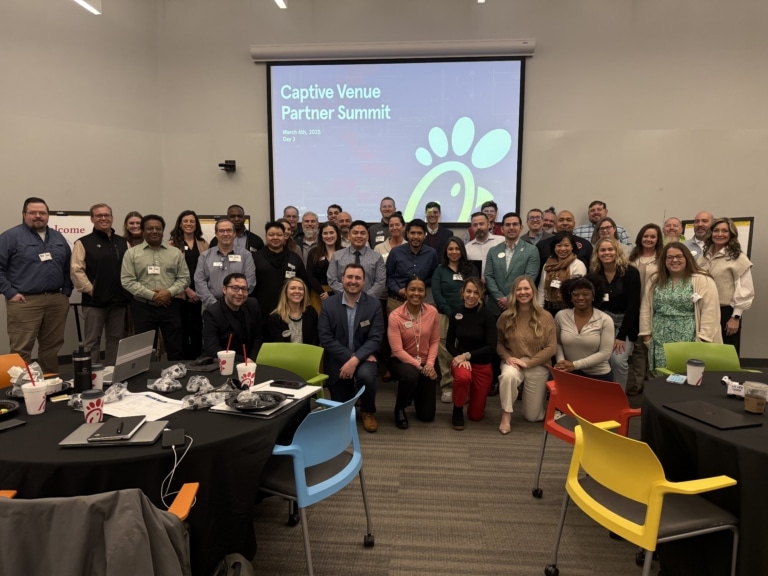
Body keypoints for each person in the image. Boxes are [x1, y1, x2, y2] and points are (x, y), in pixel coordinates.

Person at [0, 197, 73, 373]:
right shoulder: (10, 237)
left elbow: (67, 266)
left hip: (56, 300)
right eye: (33, 212)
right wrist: (10, 292)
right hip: (25, 302)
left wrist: (66, 291)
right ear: (24, 214)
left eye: (42, 213)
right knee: (21, 348)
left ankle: (50, 382)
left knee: (51, 347)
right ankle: (20, 386)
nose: (38, 216)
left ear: (48, 215)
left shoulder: (58, 237)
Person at [318, 263, 385, 433]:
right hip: (338, 359)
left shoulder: (374, 305)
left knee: (366, 375)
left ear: (364, 281)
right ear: (342, 279)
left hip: (364, 358)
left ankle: (368, 411)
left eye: (357, 278)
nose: (353, 281)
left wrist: (355, 360)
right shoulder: (328, 305)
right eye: (349, 277)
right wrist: (351, 358)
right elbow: (325, 338)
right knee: (342, 412)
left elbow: (375, 338)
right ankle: (355, 394)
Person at [639, 242, 721, 372]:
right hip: (660, 339)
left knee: (688, 376)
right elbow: (646, 308)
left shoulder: (703, 280)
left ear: (687, 258)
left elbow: (710, 312)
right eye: (670, 257)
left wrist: (703, 339)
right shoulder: (655, 279)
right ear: (664, 260)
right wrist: (646, 335)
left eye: (679, 256)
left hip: (690, 340)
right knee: (662, 377)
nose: (674, 260)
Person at [120, 214, 190, 360]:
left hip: (171, 306)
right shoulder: (132, 253)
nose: (154, 231)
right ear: (143, 231)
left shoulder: (175, 253)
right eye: (150, 228)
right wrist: (153, 295)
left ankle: (175, 373)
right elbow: (127, 281)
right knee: (144, 350)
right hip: (143, 307)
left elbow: (184, 279)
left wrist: (168, 293)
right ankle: (146, 374)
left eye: (158, 228)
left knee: (176, 348)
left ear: (163, 231)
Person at [70, 203, 131, 365]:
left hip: (119, 301)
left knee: (115, 339)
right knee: (92, 341)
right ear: (92, 219)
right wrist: (92, 290)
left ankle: (113, 373)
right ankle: (93, 376)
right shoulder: (83, 243)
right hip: (94, 302)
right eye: (99, 215)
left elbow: (130, 269)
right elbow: (76, 270)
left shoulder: (123, 242)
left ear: (112, 218)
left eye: (107, 215)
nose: (103, 218)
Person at [496, 276, 557, 431]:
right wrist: (507, 357)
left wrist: (529, 363)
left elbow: (551, 347)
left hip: (538, 364)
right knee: (508, 376)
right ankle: (506, 414)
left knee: (532, 417)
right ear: (514, 293)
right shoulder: (506, 316)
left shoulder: (546, 316)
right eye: (519, 289)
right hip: (514, 361)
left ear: (533, 291)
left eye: (526, 289)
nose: (523, 292)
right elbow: (498, 343)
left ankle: (535, 404)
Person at [388, 276, 440, 429]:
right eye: (412, 289)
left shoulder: (432, 312)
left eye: (420, 290)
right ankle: (400, 407)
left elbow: (435, 341)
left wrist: (430, 365)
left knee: (427, 416)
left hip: (425, 362)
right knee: (411, 375)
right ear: (405, 292)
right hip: (401, 361)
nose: (416, 293)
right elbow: (397, 350)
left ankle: (414, 392)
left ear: (425, 293)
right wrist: (421, 367)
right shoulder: (395, 316)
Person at [432, 237, 479, 403]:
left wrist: (465, 312)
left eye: (457, 248)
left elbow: (476, 290)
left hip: (469, 315)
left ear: (462, 251)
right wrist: (451, 313)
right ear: (446, 252)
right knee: (445, 351)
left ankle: (463, 385)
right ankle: (448, 386)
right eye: (450, 249)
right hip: (445, 316)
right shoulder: (440, 270)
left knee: (466, 349)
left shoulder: (471, 269)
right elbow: (437, 294)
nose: (454, 252)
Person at [590, 237, 641, 390]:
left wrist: (621, 336)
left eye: (610, 249)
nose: (607, 253)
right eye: (603, 250)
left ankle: (619, 396)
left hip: (626, 322)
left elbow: (633, 306)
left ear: (617, 251)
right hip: (603, 321)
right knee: (603, 359)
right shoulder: (594, 274)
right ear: (597, 253)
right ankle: (605, 395)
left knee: (618, 361)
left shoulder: (631, 272)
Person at [446, 277, 497, 430]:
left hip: (482, 365)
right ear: (463, 292)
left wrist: (467, 355)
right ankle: (457, 409)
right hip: (462, 363)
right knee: (463, 377)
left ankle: (469, 397)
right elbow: (449, 344)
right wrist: (460, 358)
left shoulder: (487, 315)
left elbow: (491, 347)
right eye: (468, 291)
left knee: (476, 416)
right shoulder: (456, 314)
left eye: (476, 292)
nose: (471, 295)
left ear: (481, 295)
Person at [698, 217, 754, 355]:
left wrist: (736, 317)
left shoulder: (738, 257)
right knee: (705, 353)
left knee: (726, 355)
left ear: (731, 234)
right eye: (716, 230)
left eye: (725, 231)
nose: (720, 234)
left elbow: (745, 289)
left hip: (726, 313)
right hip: (704, 311)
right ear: (711, 233)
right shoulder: (704, 256)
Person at [554, 275, 615, 381]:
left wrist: (574, 365)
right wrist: (561, 362)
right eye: (575, 294)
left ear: (593, 296)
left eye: (586, 294)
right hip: (569, 372)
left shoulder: (605, 320)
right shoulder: (561, 316)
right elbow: (557, 343)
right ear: (570, 297)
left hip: (598, 376)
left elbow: (605, 353)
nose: (581, 298)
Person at [626, 223, 663, 395]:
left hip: (655, 308)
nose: (649, 239)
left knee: (653, 346)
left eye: (653, 237)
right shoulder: (631, 257)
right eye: (646, 236)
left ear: (658, 239)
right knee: (639, 347)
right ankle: (638, 383)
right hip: (634, 306)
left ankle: (653, 383)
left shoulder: (662, 258)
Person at [168, 210, 209, 359]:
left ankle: (197, 359)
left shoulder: (204, 243)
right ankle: (183, 360)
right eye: (185, 221)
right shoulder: (172, 244)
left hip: (200, 293)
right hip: (180, 293)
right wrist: (187, 290)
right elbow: (170, 271)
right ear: (180, 224)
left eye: (192, 221)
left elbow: (208, 269)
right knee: (181, 327)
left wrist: (199, 291)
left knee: (197, 327)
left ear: (196, 224)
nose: (189, 224)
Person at [484, 212, 541, 317]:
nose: (511, 228)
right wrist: (500, 298)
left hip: (521, 306)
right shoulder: (493, 251)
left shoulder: (532, 250)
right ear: (502, 229)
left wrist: (510, 298)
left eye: (515, 224)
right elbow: (488, 276)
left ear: (521, 227)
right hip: (495, 307)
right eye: (507, 225)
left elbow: (530, 277)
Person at [252, 221, 308, 324]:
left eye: (279, 235)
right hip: (262, 310)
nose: (275, 238)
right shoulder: (255, 258)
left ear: (284, 236)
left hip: (289, 311)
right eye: (271, 235)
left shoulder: (294, 258)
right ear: (266, 236)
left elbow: (303, 282)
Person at [194, 219, 256, 310]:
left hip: (238, 307)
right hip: (211, 308)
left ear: (234, 233)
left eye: (229, 230)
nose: (225, 234)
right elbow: (199, 283)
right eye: (222, 231)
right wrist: (215, 305)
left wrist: (235, 301)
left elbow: (250, 281)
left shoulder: (246, 255)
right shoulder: (204, 256)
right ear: (216, 234)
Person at [202, 272, 262, 361]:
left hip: (251, 361)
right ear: (224, 289)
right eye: (235, 288)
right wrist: (244, 360)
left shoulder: (253, 305)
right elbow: (212, 349)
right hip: (225, 362)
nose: (240, 293)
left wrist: (252, 359)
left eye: (244, 289)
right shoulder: (212, 313)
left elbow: (258, 337)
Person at [385, 218, 438, 314]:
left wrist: (419, 287)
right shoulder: (395, 252)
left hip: (421, 302)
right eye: (412, 233)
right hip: (397, 301)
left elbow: (433, 277)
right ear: (407, 234)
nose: (416, 237)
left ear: (425, 235)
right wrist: (398, 290)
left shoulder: (431, 253)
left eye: (419, 233)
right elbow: (388, 277)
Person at [327, 220, 386, 299]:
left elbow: (380, 282)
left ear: (367, 237)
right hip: (342, 301)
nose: (359, 236)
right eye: (355, 233)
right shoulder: (337, 256)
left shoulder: (377, 257)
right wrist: (349, 295)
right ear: (349, 236)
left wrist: (365, 298)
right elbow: (332, 279)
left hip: (368, 301)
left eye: (362, 233)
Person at [537, 231, 588, 315]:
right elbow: (541, 289)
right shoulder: (548, 264)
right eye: (559, 245)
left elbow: (578, 291)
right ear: (554, 247)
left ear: (572, 247)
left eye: (566, 245)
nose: (563, 249)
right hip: (548, 308)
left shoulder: (578, 265)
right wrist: (540, 310)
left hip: (569, 309)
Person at [265, 278, 319, 345]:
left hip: (308, 351)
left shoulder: (311, 312)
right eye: (293, 288)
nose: (297, 291)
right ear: (285, 292)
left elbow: (315, 340)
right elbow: (277, 345)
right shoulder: (275, 318)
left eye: (300, 289)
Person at [306, 221, 341, 312]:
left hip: (340, 293)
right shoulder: (314, 252)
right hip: (318, 294)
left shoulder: (344, 252)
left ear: (337, 234)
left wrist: (331, 293)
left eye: (331, 232)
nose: (328, 236)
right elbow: (310, 276)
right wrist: (323, 293)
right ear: (321, 235)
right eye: (325, 233)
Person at [464, 211, 503, 276]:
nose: (478, 227)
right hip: (477, 281)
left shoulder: (501, 241)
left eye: (481, 224)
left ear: (488, 225)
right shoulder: (467, 248)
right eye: (475, 225)